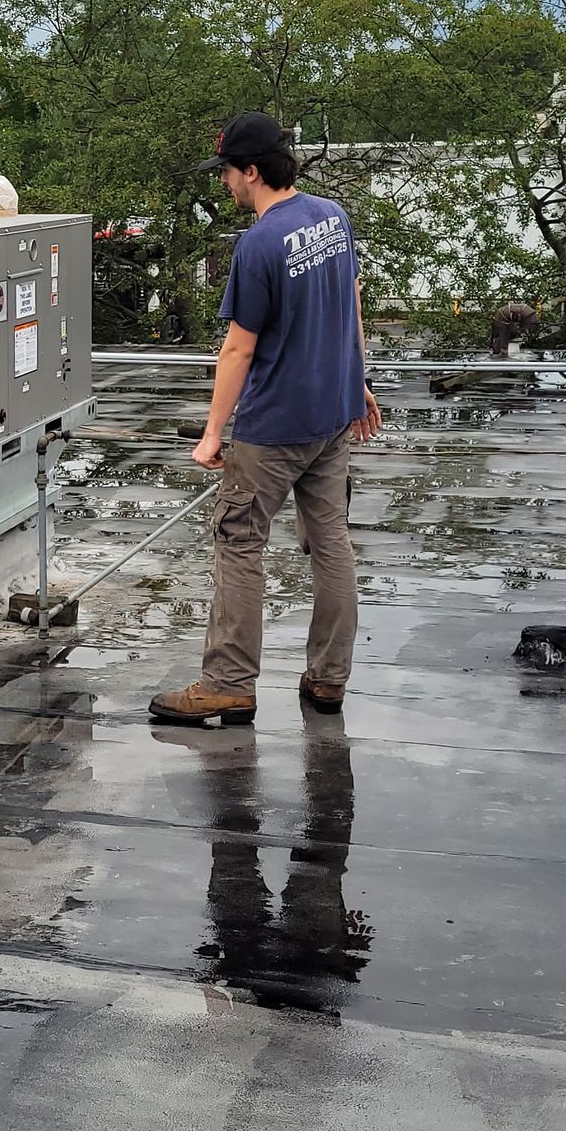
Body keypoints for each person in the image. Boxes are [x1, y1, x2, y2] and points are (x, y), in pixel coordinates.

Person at [149, 112, 380, 726]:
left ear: (251, 171)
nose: (223, 183)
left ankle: (226, 684)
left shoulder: (258, 243)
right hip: (333, 416)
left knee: (239, 543)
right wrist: (357, 380)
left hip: (274, 424)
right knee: (330, 543)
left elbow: (238, 348)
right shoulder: (333, 216)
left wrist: (212, 433)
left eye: (226, 171)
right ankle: (329, 679)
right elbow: (351, 299)